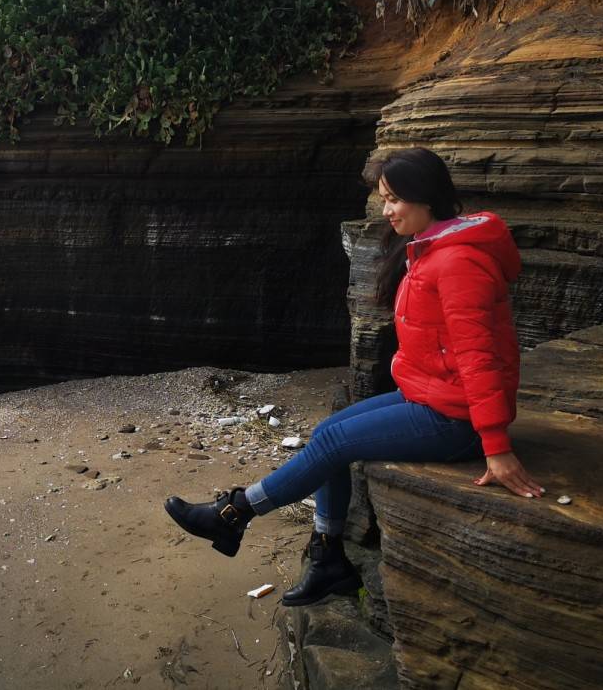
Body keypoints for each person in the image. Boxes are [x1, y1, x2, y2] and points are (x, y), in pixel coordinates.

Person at [165, 147, 543, 607]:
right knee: (328, 433)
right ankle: (328, 561)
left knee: (331, 444)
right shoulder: (433, 246)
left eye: (392, 200)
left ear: (425, 197)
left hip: (455, 420)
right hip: (430, 398)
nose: (386, 211)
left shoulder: (458, 261)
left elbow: (479, 357)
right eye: (383, 199)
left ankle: (234, 512)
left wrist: (495, 447)